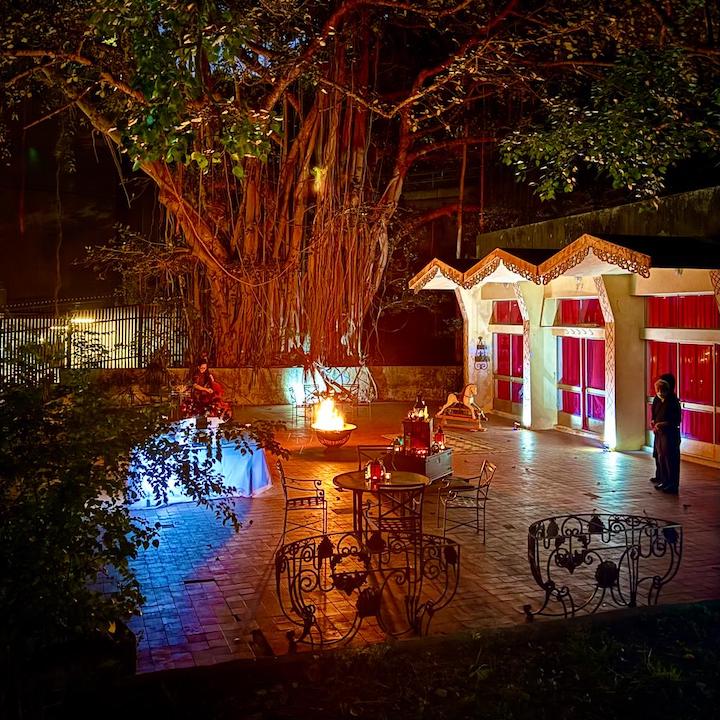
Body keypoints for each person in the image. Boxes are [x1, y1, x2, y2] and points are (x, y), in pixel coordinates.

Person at [650, 373, 681, 494]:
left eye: (661, 390)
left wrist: (662, 424)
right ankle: (664, 480)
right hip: (660, 435)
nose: (659, 393)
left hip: (670, 435)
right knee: (661, 457)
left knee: (671, 460)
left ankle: (672, 484)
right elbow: (655, 414)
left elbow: (675, 420)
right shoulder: (658, 400)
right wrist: (654, 422)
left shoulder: (672, 401)